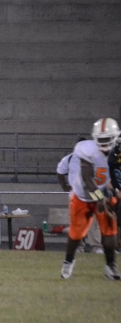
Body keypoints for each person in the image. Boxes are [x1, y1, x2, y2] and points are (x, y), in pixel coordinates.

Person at [60, 118, 120, 280]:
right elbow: (87, 178)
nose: (104, 143)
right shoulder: (86, 149)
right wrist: (99, 198)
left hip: (106, 193)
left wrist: (112, 193)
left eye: (108, 139)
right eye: (101, 139)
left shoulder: (118, 152)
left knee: (109, 231)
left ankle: (110, 266)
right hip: (83, 196)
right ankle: (68, 261)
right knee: (76, 234)